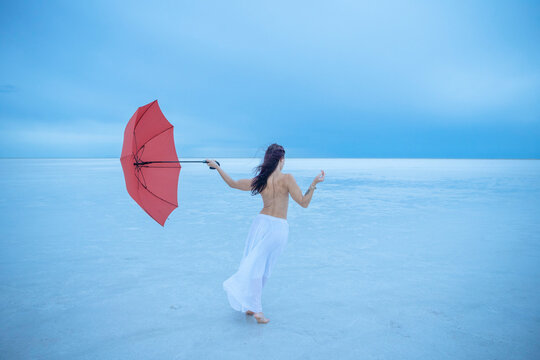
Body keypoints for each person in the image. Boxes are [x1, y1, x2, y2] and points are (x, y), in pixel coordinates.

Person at [205, 143, 325, 324]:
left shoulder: (261, 180)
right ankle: (257, 311)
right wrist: (314, 184)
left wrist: (217, 167)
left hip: (260, 224)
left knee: (255, 264)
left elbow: (233, 184)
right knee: (262, 267)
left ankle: (251, 304)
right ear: (282, 160)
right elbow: (304, 202)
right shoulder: (287, 179)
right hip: (279, 228)